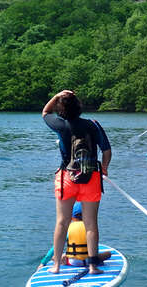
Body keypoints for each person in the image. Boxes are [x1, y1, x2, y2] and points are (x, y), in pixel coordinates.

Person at [42, 90, 112, 275]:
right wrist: (104, 167)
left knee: (62, 222)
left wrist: (57, 96)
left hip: (67, 178)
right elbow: (106, 150)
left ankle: (56, 266)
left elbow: (45, 113)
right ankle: (92, 266)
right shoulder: (93, 125)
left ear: (61, 109)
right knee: (91, 224)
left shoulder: (60, 124)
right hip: (91, 178)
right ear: (79, 107)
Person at [37, 202, 111, 271]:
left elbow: (54, 249)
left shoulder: (69, 228)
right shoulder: (90, 229)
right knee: (108, 254)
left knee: (54, 257)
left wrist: (43, 263)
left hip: (73, 262)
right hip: (90, 261)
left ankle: (62, 259)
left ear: (72, 217)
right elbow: (95, 249)